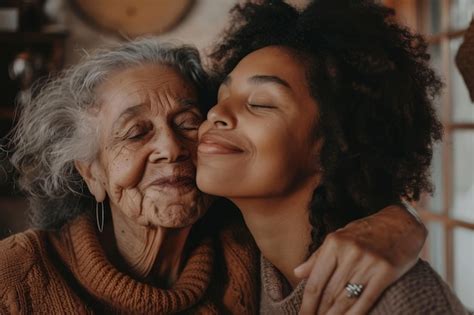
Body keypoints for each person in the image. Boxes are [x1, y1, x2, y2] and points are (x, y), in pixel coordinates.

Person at [0, 39, 425, 313]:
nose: (169, 148)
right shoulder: (17, 275)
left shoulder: (250, 253)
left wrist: (400, 221)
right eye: (136, 132)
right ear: (91, 173)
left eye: (187, 121)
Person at [197, 0, 470, 314]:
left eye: (261, 103)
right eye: (220, 97)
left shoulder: (399, 300)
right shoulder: (235, 260)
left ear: (335, 144)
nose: (217, 113)